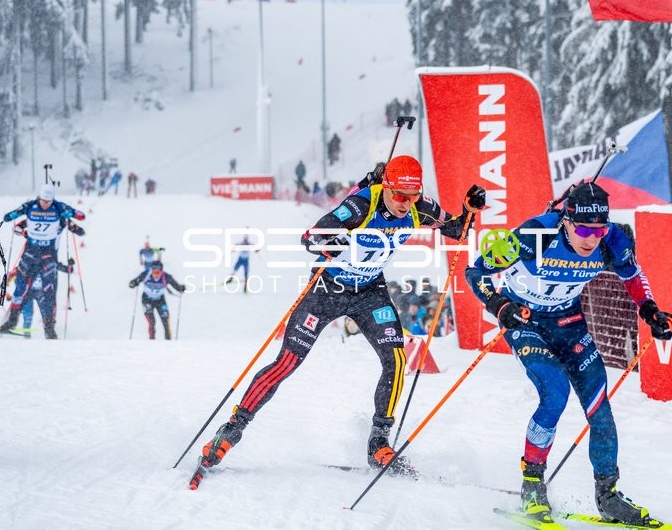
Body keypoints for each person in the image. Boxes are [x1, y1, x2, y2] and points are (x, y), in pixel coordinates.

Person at [192, 155, 486, 488]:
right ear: (385, 187)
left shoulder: (420, 206)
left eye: (412, 196)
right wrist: (331, 242)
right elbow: (310, 237)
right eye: (400, 196)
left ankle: (378, 441)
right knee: (287, 362)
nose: (406, 204)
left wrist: (470, 209)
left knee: (397, 359)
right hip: (327, 288)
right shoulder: (361, 205)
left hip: (370, 291)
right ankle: (232, 428)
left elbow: (458, 230)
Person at [465, 182, 672, 527]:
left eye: (599, 229)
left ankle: (607, 496)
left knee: (599, 406)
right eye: (582, 229)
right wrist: (499, 305)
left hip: (568, 322)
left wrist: (651, 311)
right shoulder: (536, 234)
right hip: (527, 321)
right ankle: (532, 485)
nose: (591, 239)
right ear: (566, 221)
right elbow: (475, 271)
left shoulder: (612, 240)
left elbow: (633, 275)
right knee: (555, 393)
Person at [0, 184, 86, 339]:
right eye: (43, 201)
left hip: (48, 256)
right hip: (31, 253)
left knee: (49, 292)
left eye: (49, 201)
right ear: (39, 198)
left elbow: (78, 218)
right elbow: (12, 218)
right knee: (20, 288)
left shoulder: (59, 208)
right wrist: (17, 224)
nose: (46, 204)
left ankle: (49, 328)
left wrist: (75, 216)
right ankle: (11, 322)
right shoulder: (30, 206)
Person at [128, 260, 185, 340]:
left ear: (162, 271)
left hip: (160, 300)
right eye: (154, 272)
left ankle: (169, 342)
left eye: (158, 272)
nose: (156, 275)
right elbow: (134, 281)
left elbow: (177, 286)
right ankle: (152, 341)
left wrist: (180, 288)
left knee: (165, 320)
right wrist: (133, 283)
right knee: (152, 321)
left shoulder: (166, 277)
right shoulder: (146, 274)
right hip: (147, 300)